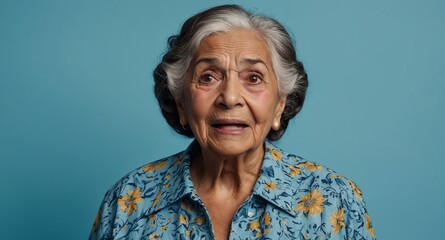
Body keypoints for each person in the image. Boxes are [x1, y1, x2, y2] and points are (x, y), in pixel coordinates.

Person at [89, 4, 376, 240]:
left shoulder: (334, 200)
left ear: (279, 104)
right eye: (208, 77)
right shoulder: (129, 201)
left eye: (253, 78)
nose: (230, 97)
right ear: (181, 103)